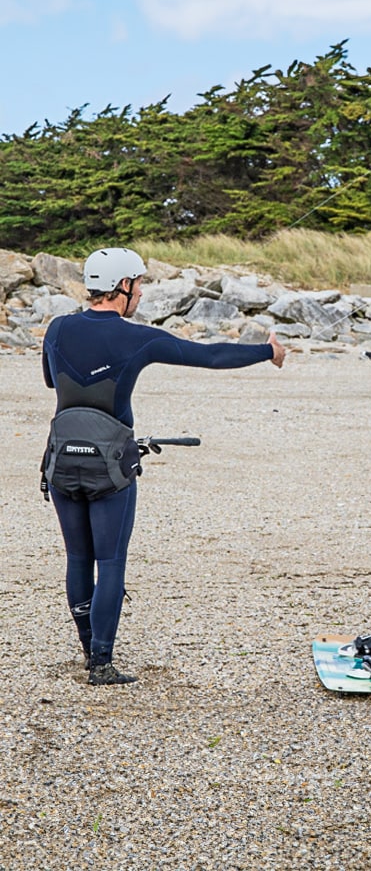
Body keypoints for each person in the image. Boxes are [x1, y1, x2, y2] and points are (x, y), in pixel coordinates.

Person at [42, 247, 286, 686]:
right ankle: (101, 663)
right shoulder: (136, 337)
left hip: (61, 462)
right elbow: (208, 355)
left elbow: (51, 379)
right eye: (139, 283)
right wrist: (265, 351)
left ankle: (86, 647)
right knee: (110, 561)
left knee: (78, 558)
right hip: (109, 468)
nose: (140, 292)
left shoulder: (57, 328)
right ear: (123, 287)